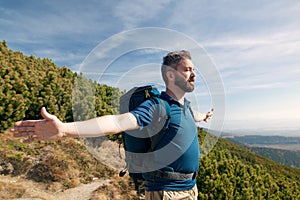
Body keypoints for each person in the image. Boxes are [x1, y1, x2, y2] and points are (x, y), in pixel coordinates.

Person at [11, 50, 213, 200]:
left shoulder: (184, 106)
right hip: (167, 191)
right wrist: (65, 129)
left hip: (190, 188)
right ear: (170, 75)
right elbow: (118, 122)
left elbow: (191, 116)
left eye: (194, 70)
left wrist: (203, 117)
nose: (194, 74)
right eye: (187, 69)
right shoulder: (156, 106)